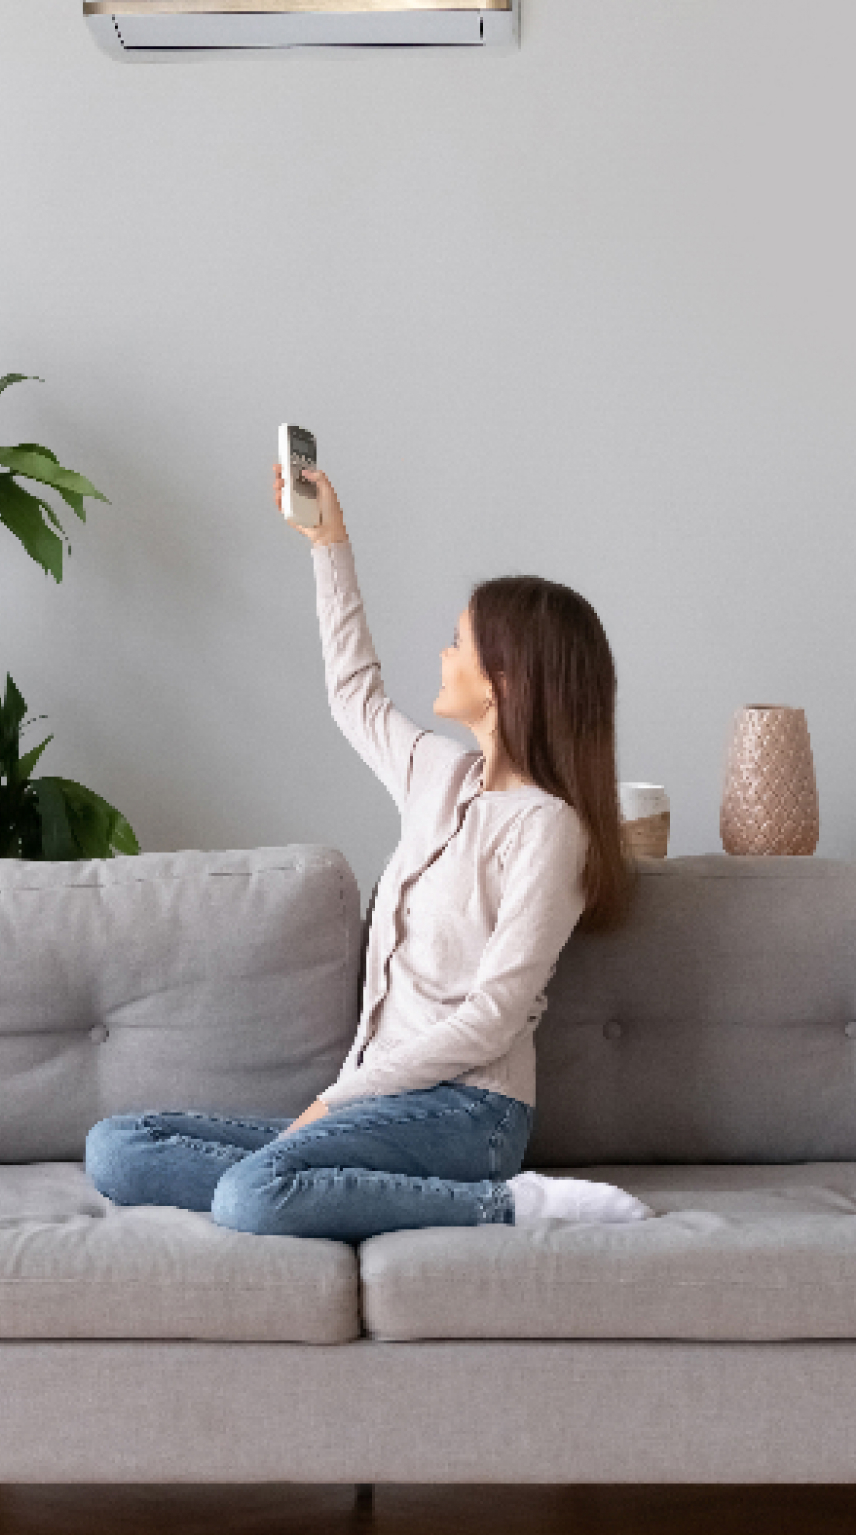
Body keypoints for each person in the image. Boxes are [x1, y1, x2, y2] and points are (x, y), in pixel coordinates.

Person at [84, 463, 653, 1240]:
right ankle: (330, 1185)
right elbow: (354, 693)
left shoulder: (547, 829)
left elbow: (490, 1021)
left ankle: (518, 1207)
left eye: (459, 643)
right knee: (118, 1149)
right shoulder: (437, 776)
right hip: (375, 1100)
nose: (444, 654)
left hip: (468, 1110)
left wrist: (336, 1102)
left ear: (504, 683)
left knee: (252, 1197)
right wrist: (329, 544)